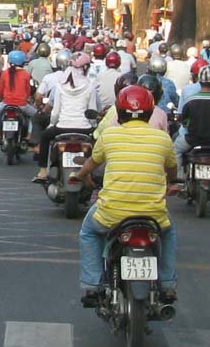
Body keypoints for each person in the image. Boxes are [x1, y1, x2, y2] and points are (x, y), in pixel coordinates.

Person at [74, 85, 178, 305]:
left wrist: (82, 177)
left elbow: (90, 165)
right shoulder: (163, 139)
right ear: (150, 111)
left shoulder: (109, 135)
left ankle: (92, 285)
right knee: (168, 234)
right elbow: (171, 171)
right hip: (153, 216)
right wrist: (169, 184)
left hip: (110, 215)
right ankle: (167, 285)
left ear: (119, 112)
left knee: (88, 233)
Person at [32, 52, 101, 183]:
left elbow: (55, 112)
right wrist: (93, 126)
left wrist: (52, 124)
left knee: (45, 136)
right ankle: (91, 174)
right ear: (85, 68)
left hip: (61, 128)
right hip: (84, 129)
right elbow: (92, 112)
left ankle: (43, 171)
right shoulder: (90, 86)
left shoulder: (60, 86)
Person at [174, 65, 210, 193]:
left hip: (192, 140)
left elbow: (184, 122)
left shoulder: (190, 100)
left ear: (198, 81)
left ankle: (177, 180)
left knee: (176, 150)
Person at [0, 50, 37, 145]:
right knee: (35, 116)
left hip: (6, 103)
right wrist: (26, 99)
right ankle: (29, 136)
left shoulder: (4, 73)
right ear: (23, 62)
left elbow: (0, 90)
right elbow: (28, 91)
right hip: (22, 105)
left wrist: (4, 98)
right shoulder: (26, 74)